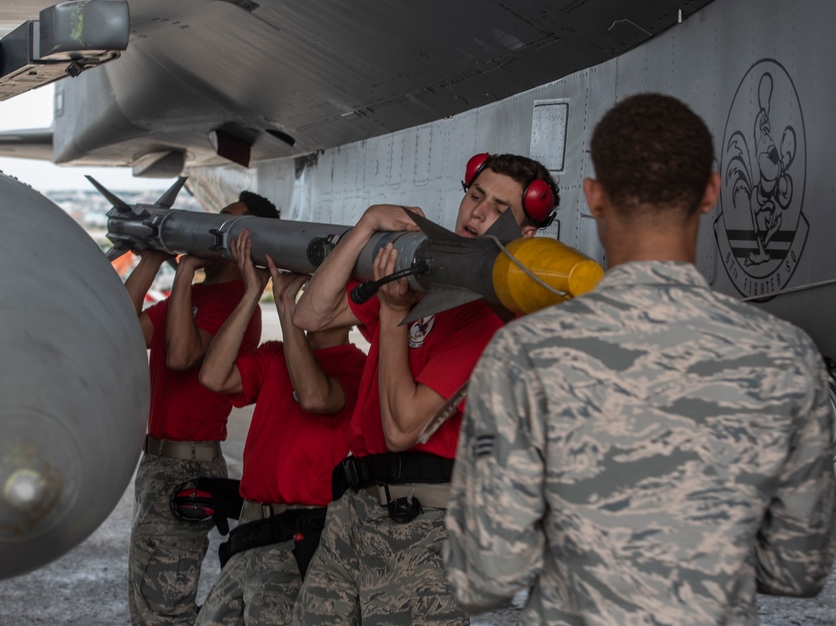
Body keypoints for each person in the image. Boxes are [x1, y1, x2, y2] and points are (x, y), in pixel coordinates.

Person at [445, 94, 836, 624]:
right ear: (710, 193)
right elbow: (799, 569)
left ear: (595, 196)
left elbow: (483, 576)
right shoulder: (785, 356)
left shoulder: (525, 354)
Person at [291, 154, 559, 624]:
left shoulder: (493, 320)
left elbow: (402, 429)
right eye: (475, 196)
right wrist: (366, 225)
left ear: (527, 233)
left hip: (420, 527)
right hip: (354, 511)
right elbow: (310, 316)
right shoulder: (420, 281)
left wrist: (395, 314)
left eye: (499, 208)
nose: (477, 213)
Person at [193, 230, 366, 625]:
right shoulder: (275, 357)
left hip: (302, 541)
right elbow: (213, 377)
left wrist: (289, 312)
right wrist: (252, 292)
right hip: (251, 530)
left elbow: (315, 397)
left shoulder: (358, 370)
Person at [124, 191, 281, 626]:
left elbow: (180, 356)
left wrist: (185, 271)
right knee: (145, 606)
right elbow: (120, 324)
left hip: (187, 469)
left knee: (166, 611)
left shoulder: (234, 302)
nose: (207, 225)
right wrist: (154, 258)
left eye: (223, 221)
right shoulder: (192, 298)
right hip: (157, 464)